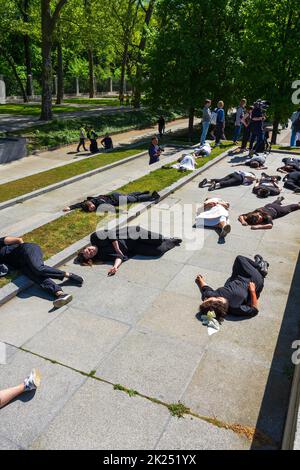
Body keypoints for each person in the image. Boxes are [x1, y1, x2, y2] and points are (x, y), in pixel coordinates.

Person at [0, 236, 83, 308]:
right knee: (36, 277)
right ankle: (60, 294)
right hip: (21, 265)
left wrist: (25, 253)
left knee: (38, 269)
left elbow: (19, 240)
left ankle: (68, 275)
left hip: (27, 250)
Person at [75, 227, 182, 276]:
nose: (91, 252)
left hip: (132, 233)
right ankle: (171, 241)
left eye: (88, 250)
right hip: (133, 247)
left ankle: (164, 238)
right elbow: (119, 257)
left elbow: (110, 233)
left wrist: (117, 249)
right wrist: (115, 267)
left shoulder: (95, 238)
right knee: (157, 251)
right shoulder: (101, 256)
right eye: (90, 255)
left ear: (86, 247)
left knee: (158, 239)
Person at [195, 254, 269, 320]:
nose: (207, 298)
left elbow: (206, 289)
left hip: (236, 278)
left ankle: (257, 266)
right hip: (253, 282)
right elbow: (254, 310)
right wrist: (252, 291)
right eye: (217, 298)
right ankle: (260, 267)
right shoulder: (235, 308)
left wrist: (200, 280)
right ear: (219, 302)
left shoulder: (211, 298)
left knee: (238, 261)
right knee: (240, 258)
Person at [64, 191, 160, 212]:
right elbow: (111, 208)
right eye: (91, 210)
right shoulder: (96, 204)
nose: (92, 208)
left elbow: (77, 205)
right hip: (116, 198)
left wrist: (69, 208)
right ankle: (146, 194)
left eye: (90, 207)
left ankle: (150, 196)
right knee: (131, 197)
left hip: (115, 197)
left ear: (90, 203)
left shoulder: (93, 202)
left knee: (133, 199)